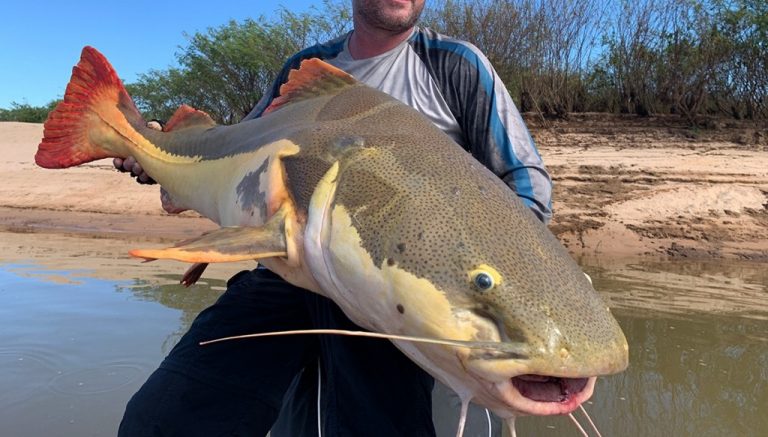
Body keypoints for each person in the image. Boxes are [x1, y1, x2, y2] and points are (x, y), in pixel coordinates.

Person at [117, 1, 552, 436]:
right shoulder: (307, 66)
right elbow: (235, 145)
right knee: (159, 421)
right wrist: (152, 145)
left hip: (382, 293)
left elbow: (525, 183)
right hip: (285, 270)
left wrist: (514, 278)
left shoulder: (454, 65)